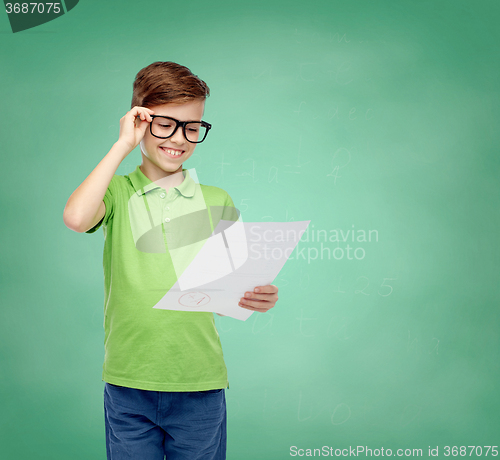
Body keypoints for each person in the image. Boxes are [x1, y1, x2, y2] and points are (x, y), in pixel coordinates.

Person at [63, 61, 279, 460]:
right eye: (165, 124)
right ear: (139, 121)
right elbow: (76, 218)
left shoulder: (217, 200)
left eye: (192, 126)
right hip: (128, 382)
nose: (179, 138)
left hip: (199, 383)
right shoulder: (117, 193)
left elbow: (229, 294)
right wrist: (121, 145)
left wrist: (256, 296)